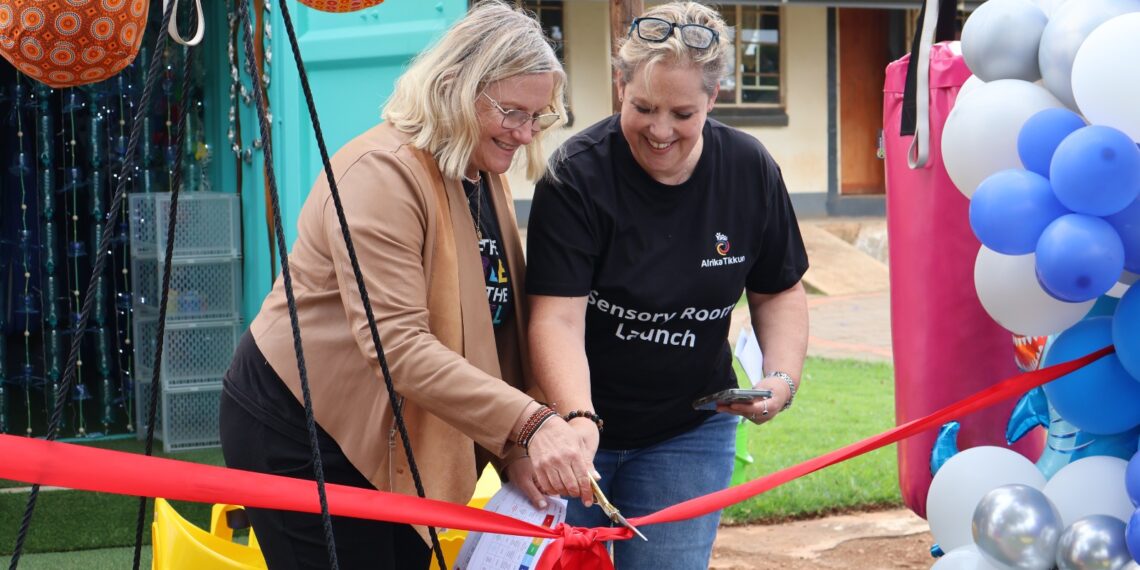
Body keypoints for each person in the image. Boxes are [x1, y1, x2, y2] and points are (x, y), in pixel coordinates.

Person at [219, 2, 596, 568]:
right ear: (454, 87)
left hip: (390, 427)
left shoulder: (476, 169)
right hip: (301, 426)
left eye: (538, 117)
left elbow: (492, 327)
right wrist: (532, 423)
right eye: (513, 112)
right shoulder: (381, 172)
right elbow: (398, 346)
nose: (524, 133)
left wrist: (511, 447)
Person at [525, 2, 810, 568]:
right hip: (573, 430)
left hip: (688, 431)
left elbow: (777, 290)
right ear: (619, 84)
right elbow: (556, 318)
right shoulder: (574, 177)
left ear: (714, 96)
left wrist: (780, 378)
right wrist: (578, 421)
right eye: (643, 107)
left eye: (682, 113)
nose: (660, 130)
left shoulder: (750, 169)